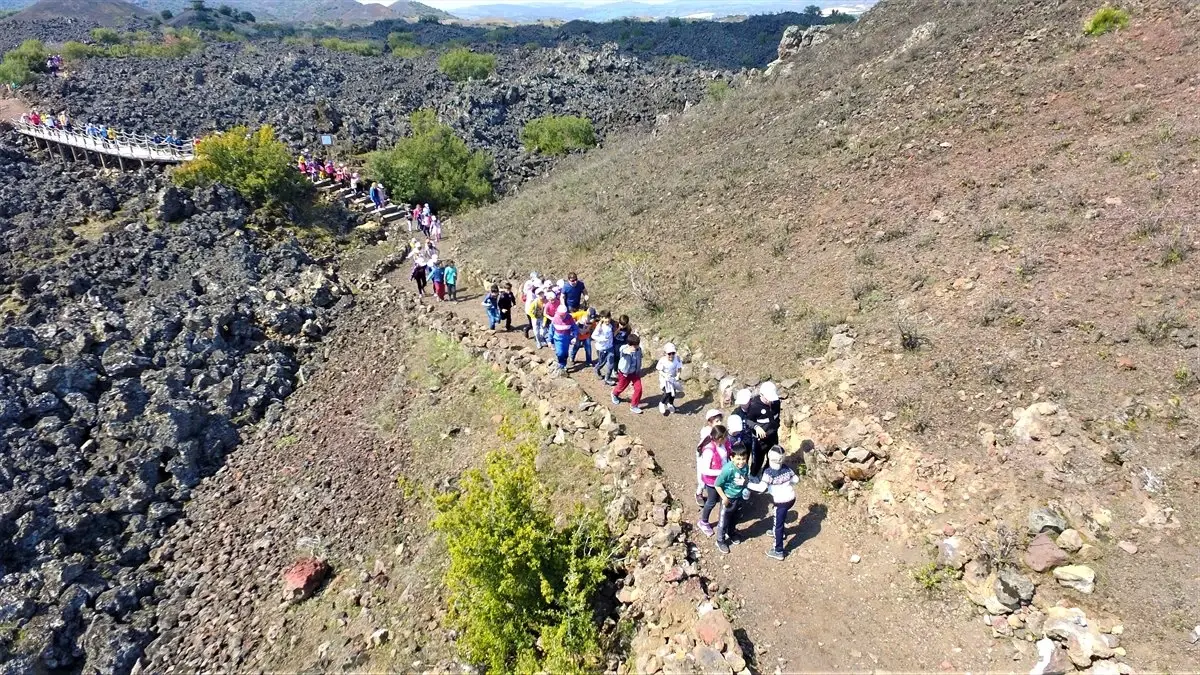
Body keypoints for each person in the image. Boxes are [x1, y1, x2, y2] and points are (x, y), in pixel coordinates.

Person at [749, 447, 801, 561]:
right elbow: (796, 480)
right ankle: (778, 533)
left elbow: (761, 488)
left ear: (769, 457)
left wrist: (746, 484)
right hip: (791, 498)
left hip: (781, 502)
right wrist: (786, 482)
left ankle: (778, 550)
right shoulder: (786, 468)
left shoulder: (769, 472)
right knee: (780, 519)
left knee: (778, 525)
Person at [714, 444, 751, 554]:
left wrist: (746, 484)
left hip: (738, 497)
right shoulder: (728, 470)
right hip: (728, 499)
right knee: (723, 520)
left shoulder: (745, 467)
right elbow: (717, 485)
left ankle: (731, 532)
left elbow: (746, 478)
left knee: (735, 517)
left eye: (744, 458)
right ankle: (720, 540)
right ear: (732, 458)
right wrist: (724, 498)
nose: (741, 462)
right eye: (738, 459)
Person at [696, 425, 731, 537]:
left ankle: (723, 522)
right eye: (725, 437)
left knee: (723, 500)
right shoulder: (709, 450)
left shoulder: (723, 444)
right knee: (711, 502)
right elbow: (705, 470)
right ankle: (704, 522)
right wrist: (721, 472)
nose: (727, 439)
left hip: (723, 479)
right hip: (712, 482)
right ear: (720, 438)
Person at [746, 382, 782, 477]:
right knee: (758, 460)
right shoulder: (754, 406)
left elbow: (777, 417)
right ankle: (753, 475)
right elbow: (748, 420)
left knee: (773, 456)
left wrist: (776, 426)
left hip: (773, 436)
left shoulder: (776, 402)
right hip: (759, 440)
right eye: (768, 399)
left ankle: (767, 474)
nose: (770, 402)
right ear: (761, 395)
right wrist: (756, 427)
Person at [695, 409, 724, 504]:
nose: (719, 422)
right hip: (705, 456)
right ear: (709, 422)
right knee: (703, 477)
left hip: (716, 456)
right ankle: (699, 493)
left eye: (720, 420)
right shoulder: (707, 433)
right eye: (716, 421)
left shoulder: (719, 430)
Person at [611, 333, 644, 414]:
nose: (636, 347)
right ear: (629, 344)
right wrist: (628, 350)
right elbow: (622, 350)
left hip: (635, 373)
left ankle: (634, 405)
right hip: (624, 373)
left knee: (639, 388)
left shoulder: (638, 349)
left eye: (637, 345)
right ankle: (614, 394)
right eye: (634, 346)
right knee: (621, 387)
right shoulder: (625, 349)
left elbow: (640, 357)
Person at [656, 343, 684, 416]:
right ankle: (661, 403)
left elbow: (679, 368)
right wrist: (665, 375)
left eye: (673, 353)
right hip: (664, 379)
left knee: (673, 392)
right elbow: (659, 369)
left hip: (673, 378)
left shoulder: (677, 359)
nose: (671, 355)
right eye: (669, 353)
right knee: (667, 391)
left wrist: (678, 375)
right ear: (665, 353)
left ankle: (670, 403)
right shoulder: (662, 360)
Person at [550, 305, 578, 372]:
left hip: (567, 338)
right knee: (560, 353)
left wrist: (574, 337)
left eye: (563, 315)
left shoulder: (569, 318)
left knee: (565, 353)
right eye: (561, 315)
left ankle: (564, 364)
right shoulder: (555, 319)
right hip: (558, 338)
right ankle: (561, 365)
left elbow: (575, 328)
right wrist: (549, 340)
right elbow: (551, 330)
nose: (562, 316)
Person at [591, 310, 613, 381]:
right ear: (602, 318)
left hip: (610, 347)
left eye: (608, 317)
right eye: (605, 318)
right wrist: (602, 339)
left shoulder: (610, 325)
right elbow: (593, 336)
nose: (607, 319)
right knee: (602, 362)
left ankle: (607, 378)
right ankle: (597, 369)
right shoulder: (599, 327)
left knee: (611, 363)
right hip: (601, 348)